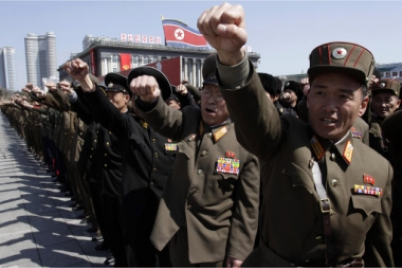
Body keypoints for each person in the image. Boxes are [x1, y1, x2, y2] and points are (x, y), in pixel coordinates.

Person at [197, 3, 393, 267]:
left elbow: (379, 250)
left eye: (344, 96)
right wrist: (232, 60)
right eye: (321, 93)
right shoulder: (282, 138)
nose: (330, 106)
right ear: (308, 97)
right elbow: (256, 116)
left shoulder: (379, 168)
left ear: (363, 105)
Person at [129, 56, 260, 268]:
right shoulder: (190, 118)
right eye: (208, 91)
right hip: (178, 235)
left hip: (214, 246)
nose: (211, 99)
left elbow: (248, 206)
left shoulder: (245, 143)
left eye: (221, 94)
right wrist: (152, 100)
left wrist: (239, 251)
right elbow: (164, 118)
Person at [64, 59, 175, 267]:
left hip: (168, 218)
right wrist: (85, 80)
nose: (144, 98)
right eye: (138, 94)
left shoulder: (175, 129)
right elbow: (106, 112)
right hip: (137, 217)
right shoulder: (129, 125)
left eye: (150, 92)